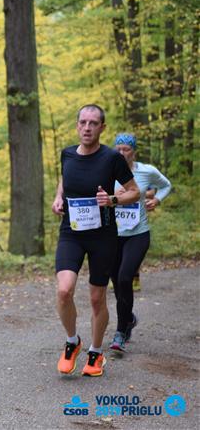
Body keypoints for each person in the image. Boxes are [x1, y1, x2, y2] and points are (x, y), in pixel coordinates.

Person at [51, 104, 140, 377]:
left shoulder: (112, 158)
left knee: (96, 298)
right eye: (83, 122)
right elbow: (65, 179)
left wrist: (112, 199)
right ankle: (72, 342)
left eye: (93, 123)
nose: (87, 128)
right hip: (71, 233)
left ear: (102, 127)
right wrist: (58, 197)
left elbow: (134, 192)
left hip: (103, 236)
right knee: (64, 291)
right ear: (77, 125)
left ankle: (96, 352)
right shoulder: (67, 154)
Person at [108, 133, 172, 352]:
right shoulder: (107, 170)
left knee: (125, 277)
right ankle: (129, 318)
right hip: (112, 235)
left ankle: (120, 332)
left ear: (133, 152)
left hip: (138, 234)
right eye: (118, 149)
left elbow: (166, 185)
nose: (121, 153)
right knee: (116, 282)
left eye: (126, 149)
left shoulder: (146, 171)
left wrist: (157, 199)